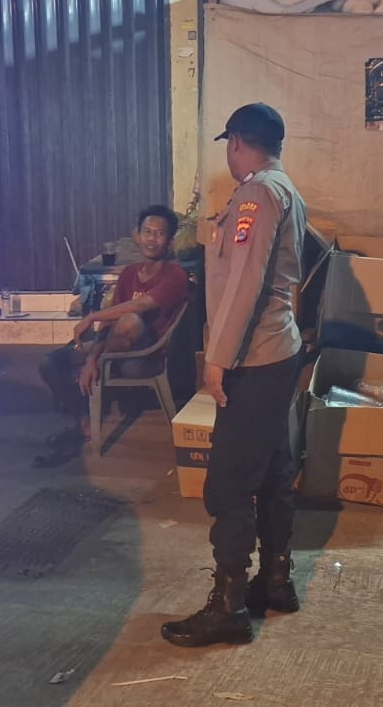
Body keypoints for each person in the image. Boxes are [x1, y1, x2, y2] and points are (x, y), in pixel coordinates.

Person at [161, 103, 306, 648]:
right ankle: (276, 582)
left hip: (254, 358)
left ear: (239, 142)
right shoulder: (284, 190)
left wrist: (217, 358)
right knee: (271, 471)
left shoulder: (257, 195)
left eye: (230, 145)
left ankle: (228, 607)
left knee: (227, 484)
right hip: (276, 351)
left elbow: (245, 282)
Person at [38, 206, 189, 450]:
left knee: (130, 320)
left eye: (160, 234)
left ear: (170, 241)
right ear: (137, 236)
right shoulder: (129, 273)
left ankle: (96, 370)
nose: (152, 239)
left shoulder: (175, 274)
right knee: (50, 363)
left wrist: (91, 317)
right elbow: (109, 323)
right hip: (114, 348)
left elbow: (140, 305)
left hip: (144, 358)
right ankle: (85, 421)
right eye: (147, 232)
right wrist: (91, 358)